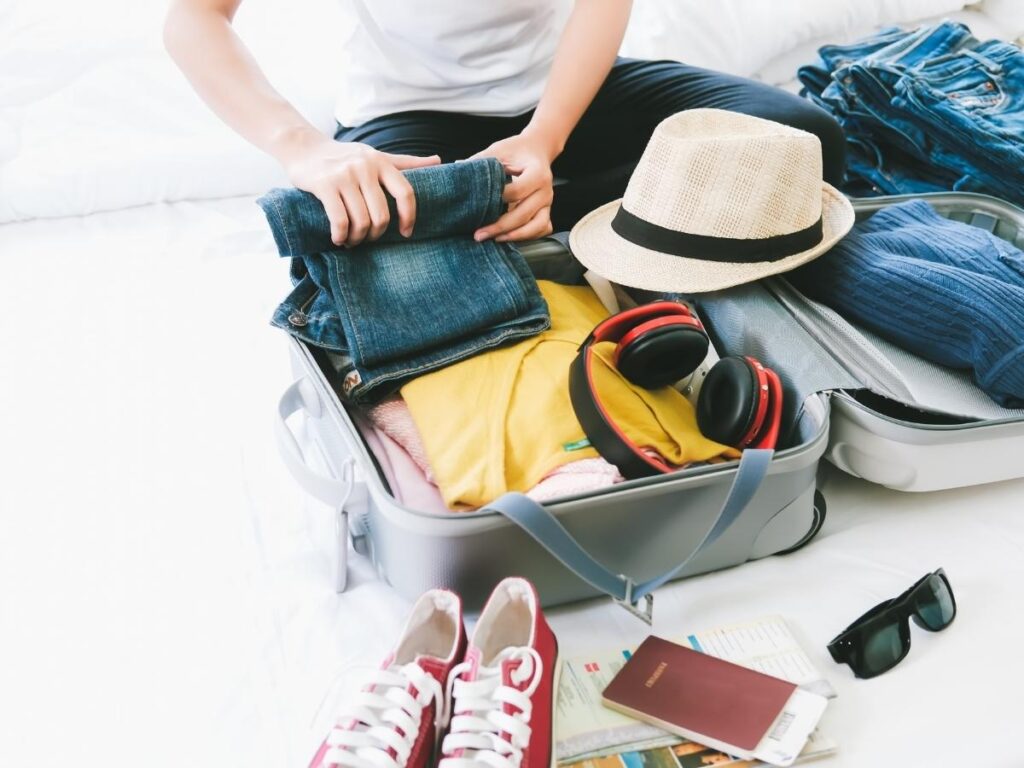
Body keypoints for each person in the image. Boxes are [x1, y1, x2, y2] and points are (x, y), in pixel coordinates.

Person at [164, 0, 845, 247]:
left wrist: (545, 140)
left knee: (801, 140)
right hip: (409, 116)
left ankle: (529, 209)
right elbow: (193, 17)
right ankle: (531, 212)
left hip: (565, 98)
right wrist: (302, 149)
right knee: (364, 242)